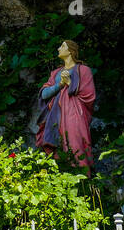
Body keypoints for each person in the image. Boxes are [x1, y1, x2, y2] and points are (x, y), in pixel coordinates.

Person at [36, 39, 96, 169]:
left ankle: (82, 181)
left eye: (62, 46)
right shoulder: (56, 73)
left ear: (70, 51)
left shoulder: (83, 70)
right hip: (55, 115)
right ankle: (63, 177)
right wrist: (60, 84)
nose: (58, 49)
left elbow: (89, 95)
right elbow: (44, 94)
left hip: (74, 113)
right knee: (58, 147)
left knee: (76, 144)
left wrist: (70, 83)